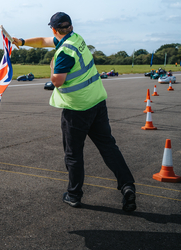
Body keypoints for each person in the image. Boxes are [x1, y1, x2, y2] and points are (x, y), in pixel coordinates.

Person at [12, 12, 136, 212]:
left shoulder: (63, 54)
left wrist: (51, 67)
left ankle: (74, 194)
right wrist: (23, 41)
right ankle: (127, 185)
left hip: (77, 109)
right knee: (108, 147)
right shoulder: (76, 39)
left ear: (54, 29)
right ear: (69, 26)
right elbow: (45, 41)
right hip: (97, 102)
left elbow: (57, 81)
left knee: (73, 154)